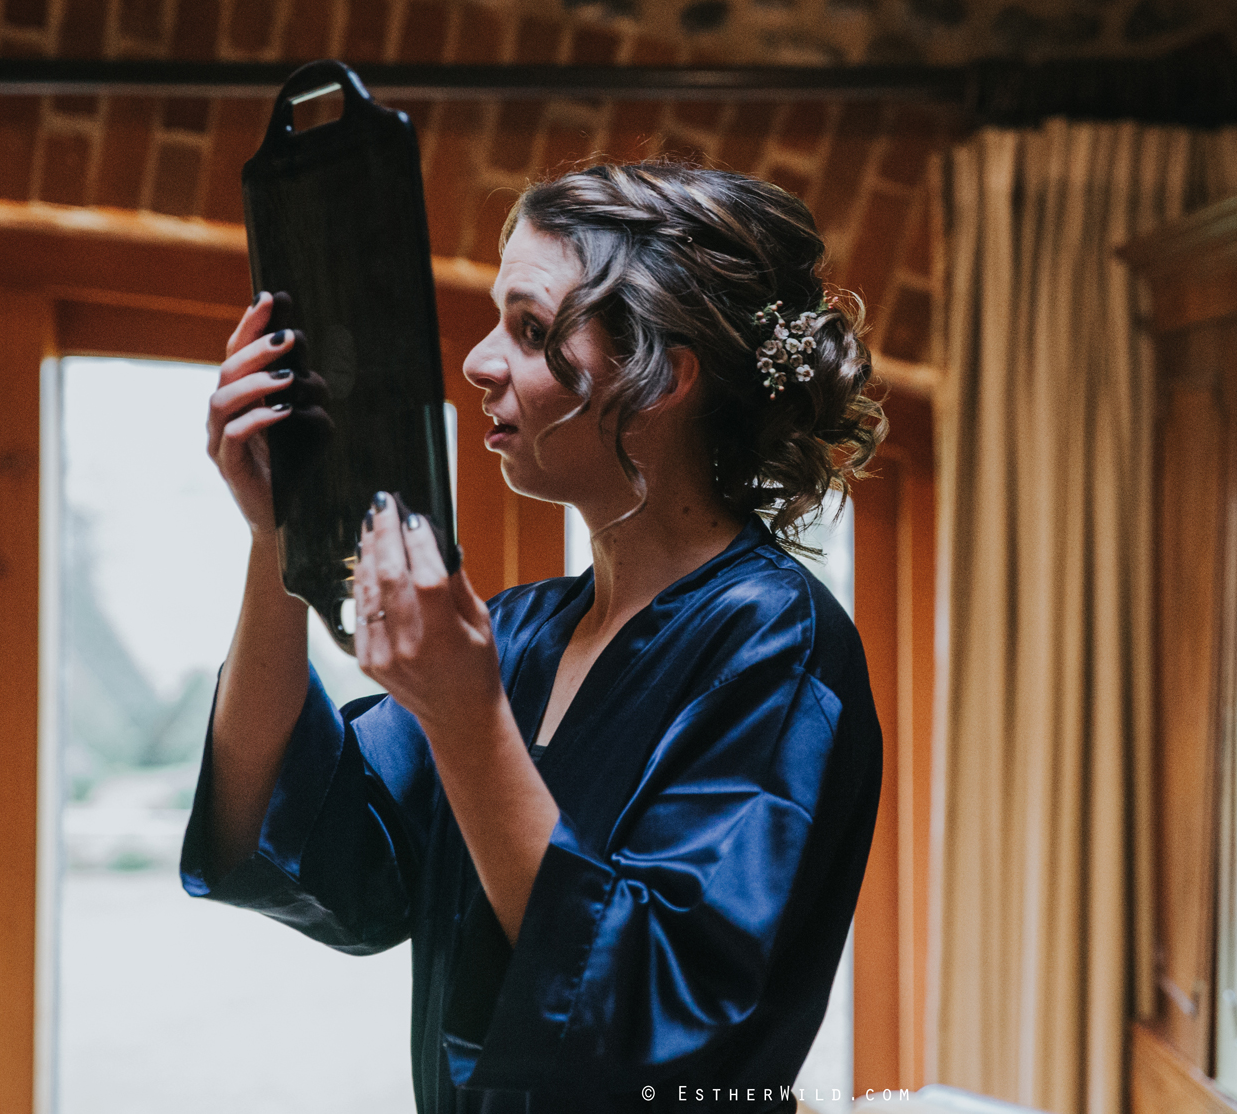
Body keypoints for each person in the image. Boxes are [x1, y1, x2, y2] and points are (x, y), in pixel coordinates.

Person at [183, 161, 887, 1112]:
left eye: (528, 328)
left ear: (660, 376)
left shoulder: (778, 646)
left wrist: (467, 716)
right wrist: (281, 531)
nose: (476, 362)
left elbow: (659, 1009)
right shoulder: (515, 636)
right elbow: (308, 831)